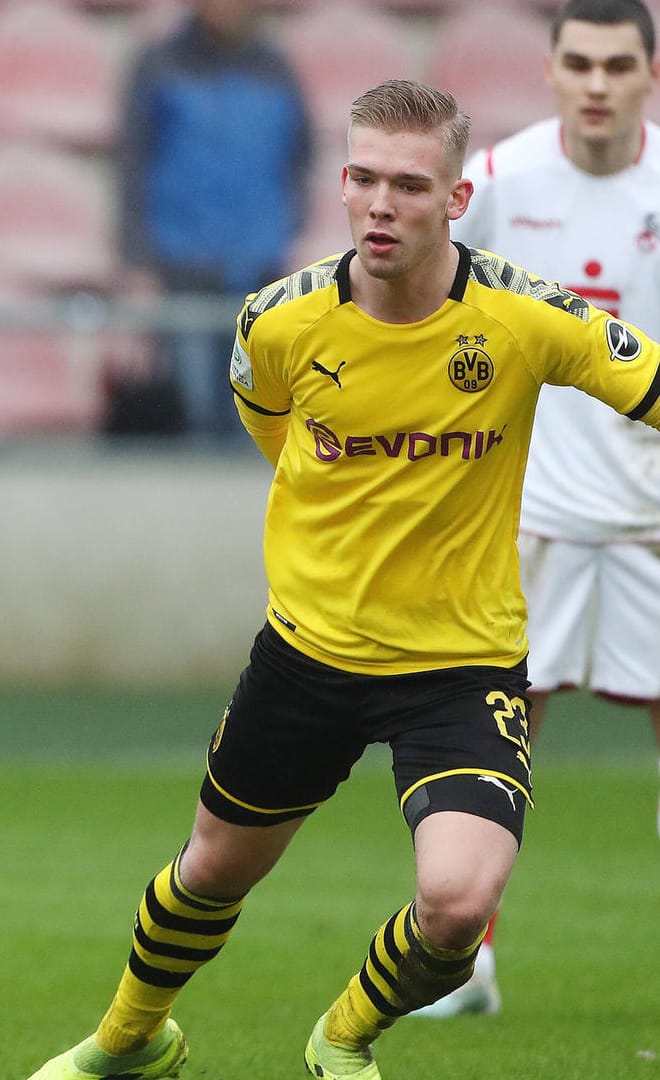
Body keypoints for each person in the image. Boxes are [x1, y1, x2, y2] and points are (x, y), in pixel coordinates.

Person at [27, 78, 660, 1080]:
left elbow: (650, 383)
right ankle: (126, 1040)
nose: (379, 204)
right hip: (307, 657)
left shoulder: (524, 316)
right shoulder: (277, 323)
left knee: (457, 903)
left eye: (409, 185)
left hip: (463, 665)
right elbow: (271, 429)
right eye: (362, 178)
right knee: (208, 873)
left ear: (456, 200)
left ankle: (343, 1036)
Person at [410, 0, 660, 1021]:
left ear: (649, 74)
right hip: (534, 512)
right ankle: (460, 967)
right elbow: (426, 311)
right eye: (578, 63)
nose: (596, 83)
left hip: (655, 515)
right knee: (498, 734)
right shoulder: (503, 183)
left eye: (616, 64)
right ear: (552, 72)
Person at [110, 0, 312, 442]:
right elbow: (131, 169)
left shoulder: (278, 71)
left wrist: (292, 237)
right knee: (196, 419)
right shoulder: (159, 64)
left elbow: (298, 163)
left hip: (259, 275)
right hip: (181, 269)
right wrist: (138, 266)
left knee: (256, 420)